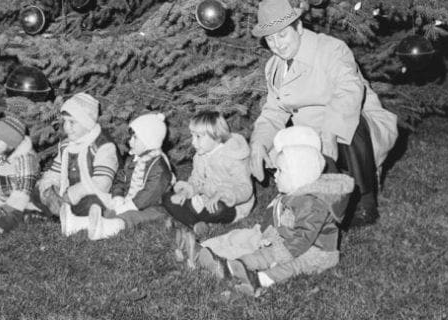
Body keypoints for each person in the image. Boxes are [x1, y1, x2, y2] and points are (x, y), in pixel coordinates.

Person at [249, 0, 398, 227]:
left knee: (347, 125)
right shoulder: (274, 68)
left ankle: (365, 201)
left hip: (355, 125)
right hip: (312, 133)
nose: (277, 44)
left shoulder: (330, 49)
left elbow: (349, 92)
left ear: (298, 27)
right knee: (288, 147)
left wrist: (329, 132)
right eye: (270, 39)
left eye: (282, 34)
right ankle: (322, 193)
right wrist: (258, 143)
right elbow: (273, 112)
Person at [194, 126, 354, 296]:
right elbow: (281, 222)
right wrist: (271, 237)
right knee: (265, 254)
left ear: (297, 177)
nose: (275, 175)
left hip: (316, 252)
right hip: (287, 242)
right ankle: (236, 266)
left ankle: (261, 279)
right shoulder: (292, 194)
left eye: (280, 171)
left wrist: (281, 252)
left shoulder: (312, 204)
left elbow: (303, 237)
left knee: (292, 266)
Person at [162, 111, 254, 262]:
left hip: (231, 205)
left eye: (198, 137)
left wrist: (222, 195)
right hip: (204, 199)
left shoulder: (233, 157)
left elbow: (245, 189)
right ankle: (196, 224)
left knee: (218, 208)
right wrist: (186, 192)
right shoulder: (200, 156)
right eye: (192, 136)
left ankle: (190, 217)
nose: (193, 142)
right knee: (168, 198)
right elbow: (196, 180)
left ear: (216, 136)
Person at [33, 92, 119, 236]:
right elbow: (56, 170)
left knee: (92, 203)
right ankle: (59, 211)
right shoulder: (66, 145)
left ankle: (66, 215)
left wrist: (73, 194)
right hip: (65, 194)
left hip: (90, 193)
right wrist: (48, 185)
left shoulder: (103, 146)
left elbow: (102, 182)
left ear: (86, 123)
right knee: (38, 189)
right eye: (65, 121)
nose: (67, 127)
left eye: (72, 122)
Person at [87, 112, 174, 240]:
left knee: (133, 216)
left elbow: (150, 193)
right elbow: (121, 178)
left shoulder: (159, 166)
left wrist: (129, 206)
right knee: (109, 206)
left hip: (155, 207)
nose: (130, 141)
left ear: (148, 140)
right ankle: (84, 222)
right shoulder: (134, 159)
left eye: (135, 138)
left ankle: (109, 228)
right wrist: (118, 196)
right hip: (130, 200)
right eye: (131, 137)